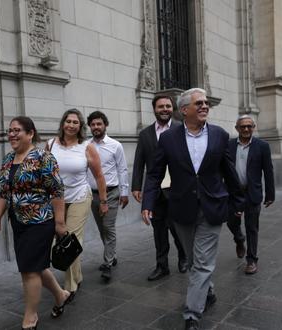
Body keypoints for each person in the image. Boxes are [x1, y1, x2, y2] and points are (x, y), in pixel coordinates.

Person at [141, 88, 244, 330]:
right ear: (184, 109)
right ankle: (208, 292)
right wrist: (148, 202)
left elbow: (229, 172)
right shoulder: (168, 139)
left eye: (206, 103)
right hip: (181, 208)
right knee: (194, 258)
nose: (205, 106)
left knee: (201, 264)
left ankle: (191, 315)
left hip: (212, 207)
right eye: (199, 103)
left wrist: (238, 202)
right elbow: (155, 173)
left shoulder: (220, 135)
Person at [0, 116, 71, 329]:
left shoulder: (44, 157)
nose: (12, 134)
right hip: (18, 221)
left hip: (40, 221)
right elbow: (4, 192)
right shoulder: (8, 160)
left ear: (30, 133)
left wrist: (60, 223)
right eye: (10, 131)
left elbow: (57, 190)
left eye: (17, 130)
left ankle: (30, 317)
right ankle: (61, 295)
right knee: (36, 265)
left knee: (29, 270)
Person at [47, 109, 108, 298]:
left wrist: (103, 201)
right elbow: (45, 172)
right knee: (59, 239)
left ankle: (70, 286)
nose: (71, 125)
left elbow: (99, 175)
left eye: (75, 122)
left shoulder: (87, 147)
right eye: (68, 121)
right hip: (56, 200)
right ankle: (78, 275)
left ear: (80, 126)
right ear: (63, 123)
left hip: (80, 196)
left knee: (69, 239)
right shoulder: (50, 145)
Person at [132, 95, 188, 281]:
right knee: (158, 230)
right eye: (160, 106)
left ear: (173, 109)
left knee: (177, 228)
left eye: (168, 106)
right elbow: (139, 162)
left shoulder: (182, 130)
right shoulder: (145, 134)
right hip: (155, 191)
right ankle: (162, 265)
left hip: (176, 190)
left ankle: (183, 257)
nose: (164, 109)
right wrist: (137, 186)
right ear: (154, 109)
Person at [226, 115, 275, 275]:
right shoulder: (229, 145)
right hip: (233, 193)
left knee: (252, 227)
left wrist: (270, 194)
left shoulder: (262, 146)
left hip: (252, 192)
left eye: (249, 126)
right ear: (236, 128)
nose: (246, 129)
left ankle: (252, 259)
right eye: (242, 127)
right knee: (231, 221)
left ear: (254, 127)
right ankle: (239, 239)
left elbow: (268, 171)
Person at [86, 111, 129, 281]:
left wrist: (124, 193)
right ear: (89, 126)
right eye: (93, 124)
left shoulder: (115, 145)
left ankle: (108, 263)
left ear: (105, 125)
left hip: (111, 193)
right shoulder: (85, 146)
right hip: (92, 194)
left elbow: (122, 169)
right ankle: (112, 254)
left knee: (109, 227)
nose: (96, 127)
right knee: (101, 228)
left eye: (99, 124)